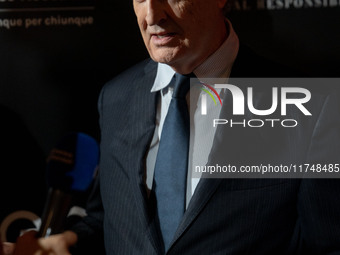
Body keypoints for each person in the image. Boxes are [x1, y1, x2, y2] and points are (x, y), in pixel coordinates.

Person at [2, 0, 340, 254]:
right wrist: (69, 241)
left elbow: (326, 244)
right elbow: (113, 218)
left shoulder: (311, 106)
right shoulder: (116, 98)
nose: (152, 15)